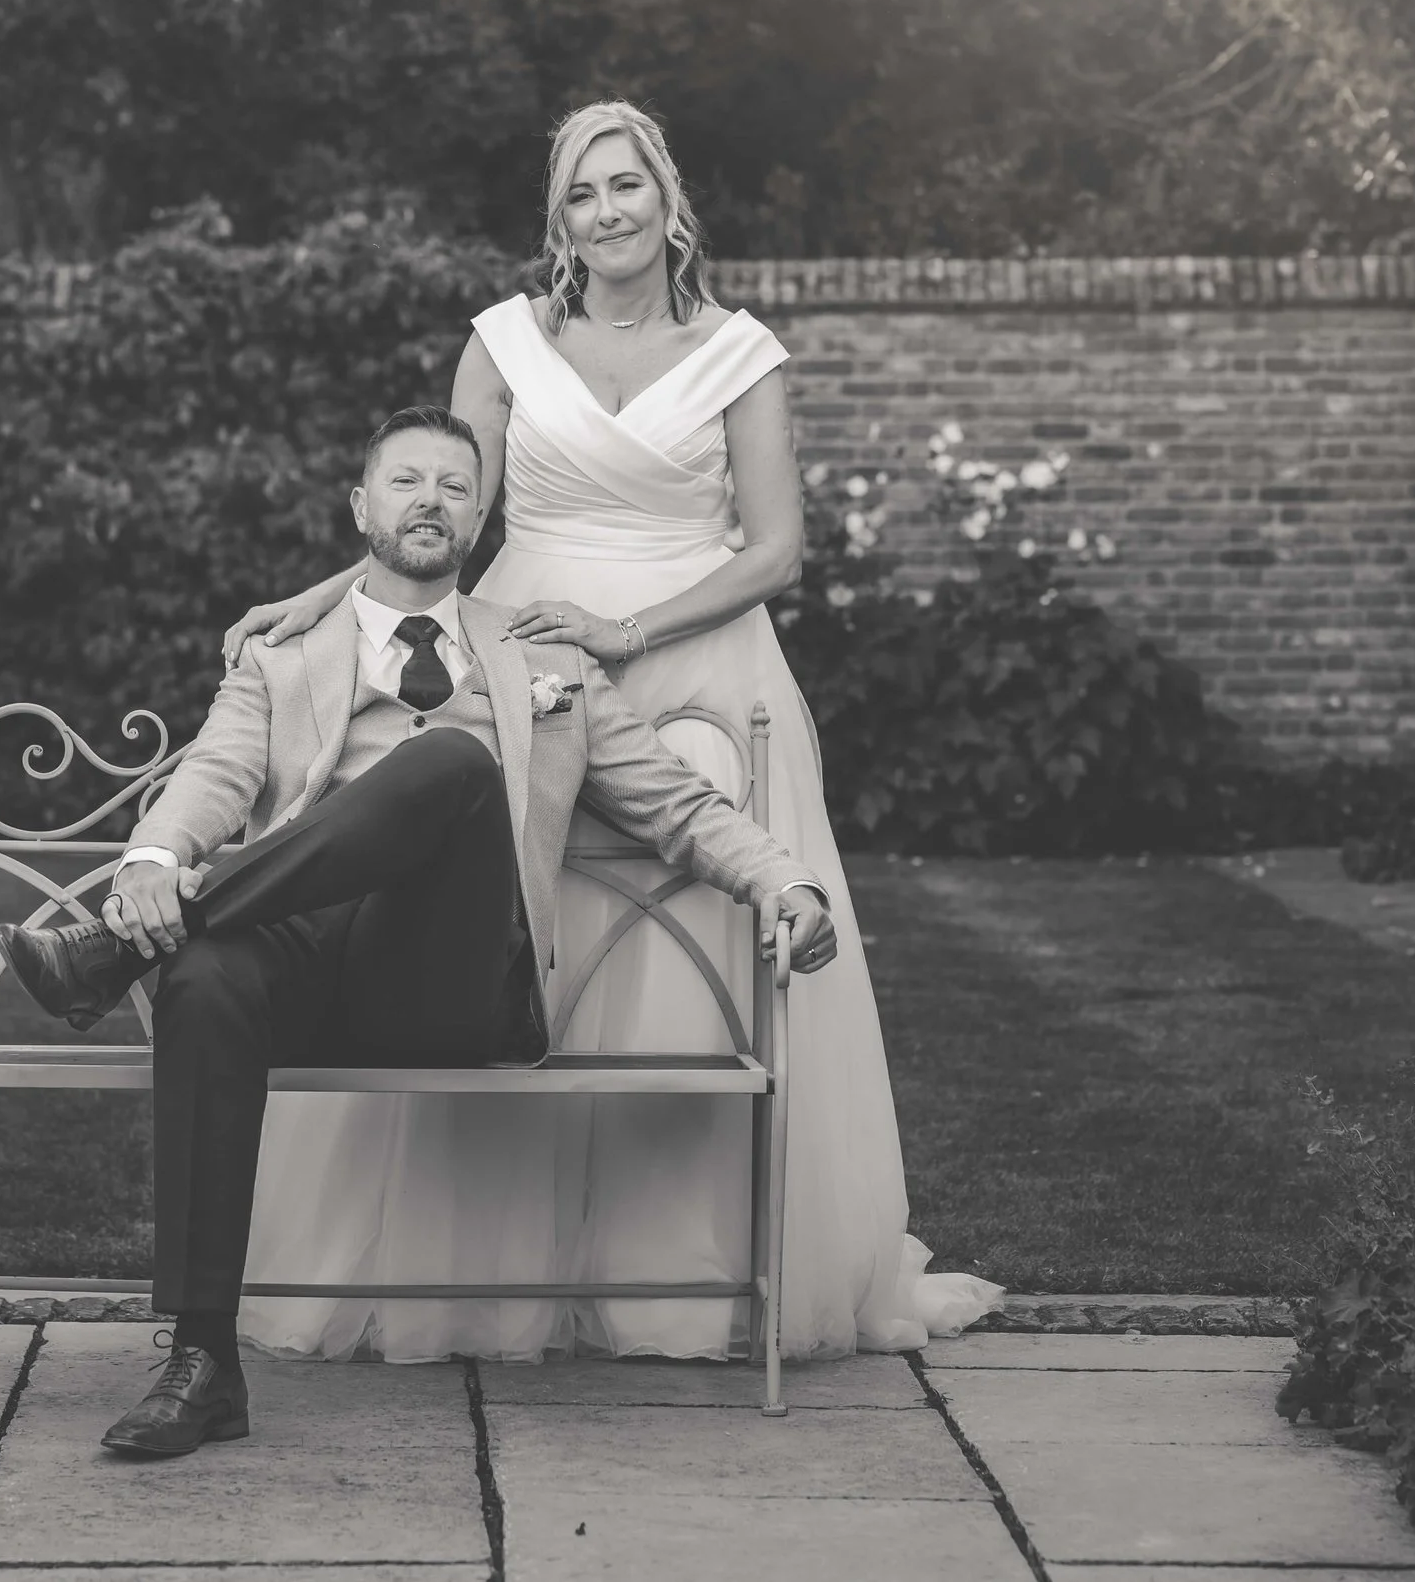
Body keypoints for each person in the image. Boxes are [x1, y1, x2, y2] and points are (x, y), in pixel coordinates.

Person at [218, 100, 1003, 1363]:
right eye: (580, 194)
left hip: (693, 652)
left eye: (625, 185)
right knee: (502, 876)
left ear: (667, 198)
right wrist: (321, 600)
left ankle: (669, 1271)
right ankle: (480, 1265)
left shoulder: (738, 353)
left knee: (683, 910)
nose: (606, 212)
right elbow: (442, 517)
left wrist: (627, 634)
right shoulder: (504, 343)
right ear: (559, 220)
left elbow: (775, 550)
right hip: (523, 639)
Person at [0, 405, 836, 1456]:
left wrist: (783, 879)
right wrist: (152, 864)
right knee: (203, 979)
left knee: (449, 763)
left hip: (448, 984)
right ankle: (202, 1365)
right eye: (405, 481)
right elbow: (213, 775)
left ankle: (110, 956)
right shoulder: (284, 658)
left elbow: (676, 804)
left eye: (453, 487)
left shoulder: (546, 661)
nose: (430, 501)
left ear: (479, 522)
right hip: (298, 966)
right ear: (361, 507)